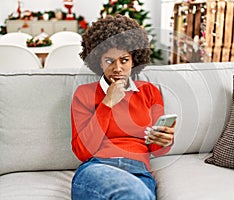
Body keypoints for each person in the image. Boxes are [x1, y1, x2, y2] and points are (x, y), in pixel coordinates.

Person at [71, 14, 176, 200]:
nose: (117, 68)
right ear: (98, 61)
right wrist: (107, 103)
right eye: (109, 61)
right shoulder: (84, 94)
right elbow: (82, 151)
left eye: (124, 60)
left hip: (139, 172)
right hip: (97, 168)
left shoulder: (149, 92)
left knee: (137, 194)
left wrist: (164, 140)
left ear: (134, 60)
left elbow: (157, 149)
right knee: (132, 194)